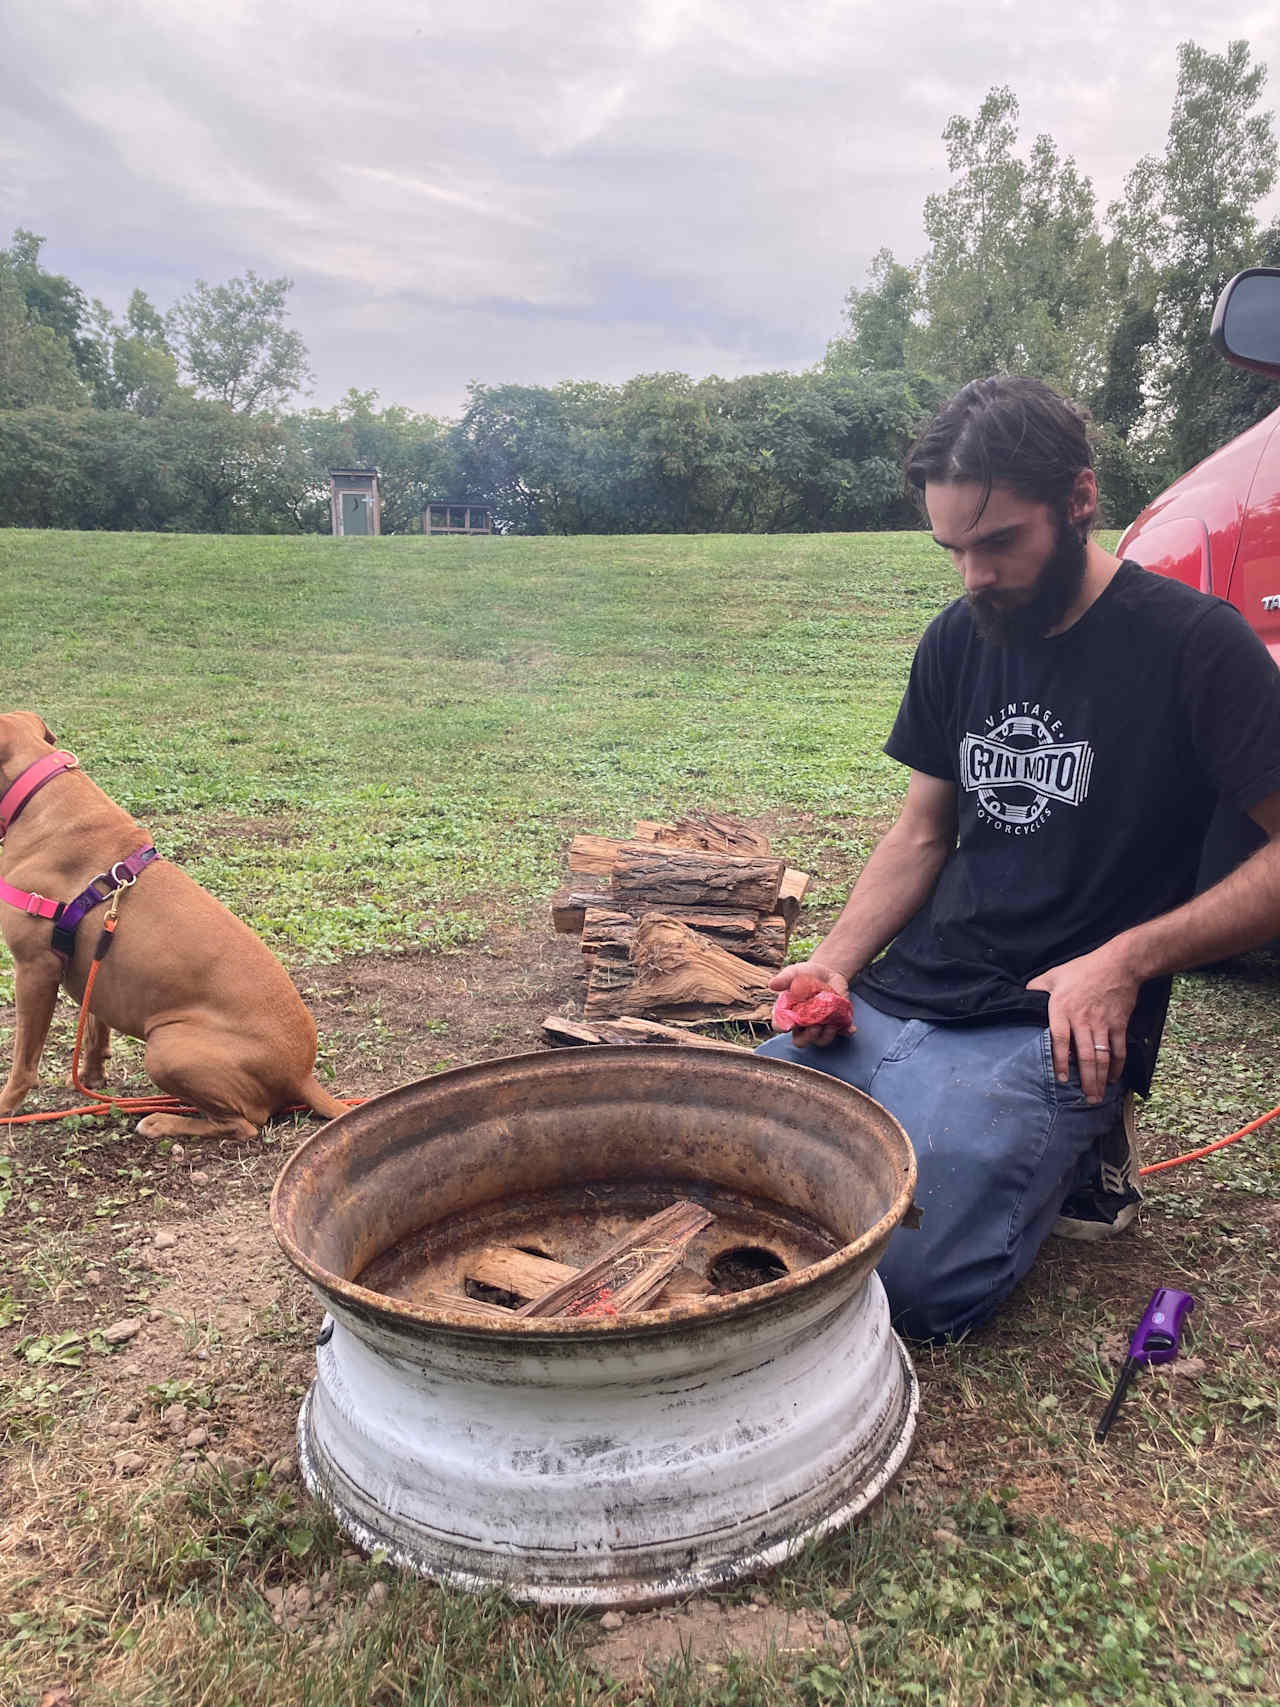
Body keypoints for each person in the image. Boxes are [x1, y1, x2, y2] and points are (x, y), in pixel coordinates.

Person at [759, 376, 1280, 1343]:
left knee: (904, 1279)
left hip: (1051, 1015)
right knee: (733, 1163)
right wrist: (834, 961)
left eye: (998, 542)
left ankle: (1083, 1151)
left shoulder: (1194, 644)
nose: (973, 575)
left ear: (1079, 498)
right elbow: (923, 834)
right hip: (912, 986)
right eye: (952, 548)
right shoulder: (961, 637)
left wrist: (1124, 961)